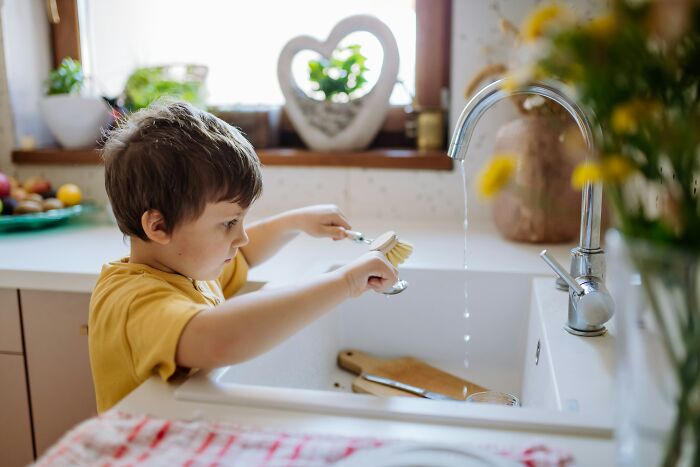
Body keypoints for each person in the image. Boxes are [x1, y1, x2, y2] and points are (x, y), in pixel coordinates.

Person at [89, 101, 398, 413]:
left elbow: (245, 254)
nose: (242, 237)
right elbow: (221, 339)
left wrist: (295, 221)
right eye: (228, 223)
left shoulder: (186, 268)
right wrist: (345, 282)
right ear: (159, 226)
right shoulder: (132, 303)